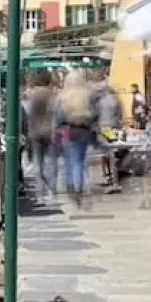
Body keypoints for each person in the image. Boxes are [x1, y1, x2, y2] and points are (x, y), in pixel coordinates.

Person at [57, 70, 96, 204]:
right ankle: (78, 186)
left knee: (70, 160)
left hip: (68, 131)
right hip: (84, 131)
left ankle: (73, 186)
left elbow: (59, 117)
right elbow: (94, 114)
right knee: (79, 160)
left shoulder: (63, 97)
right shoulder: (87, 96)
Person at [25, 72, 57, 199]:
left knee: (38, 162)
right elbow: (57, 114)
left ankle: (40, 189)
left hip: (35, 132)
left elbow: (27, 114)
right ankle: (51, 189)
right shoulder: (53, 95)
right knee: (50, 161)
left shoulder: (31, 96)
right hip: (50, 132)